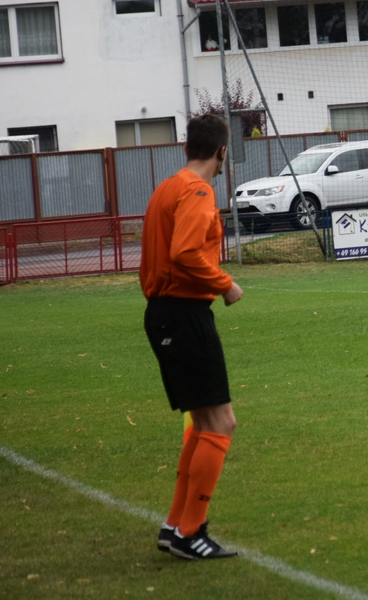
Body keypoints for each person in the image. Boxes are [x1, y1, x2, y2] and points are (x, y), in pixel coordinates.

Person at [139, 114, 243, 560]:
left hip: (163, 313)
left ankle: (175, 527)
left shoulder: (168, 186)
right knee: (221, 423)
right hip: (184, 315)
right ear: (221, 151)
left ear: (188, 147)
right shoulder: (199, 192)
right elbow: (183, 252)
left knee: (202, 424)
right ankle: (190, 532)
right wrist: (225, 283)